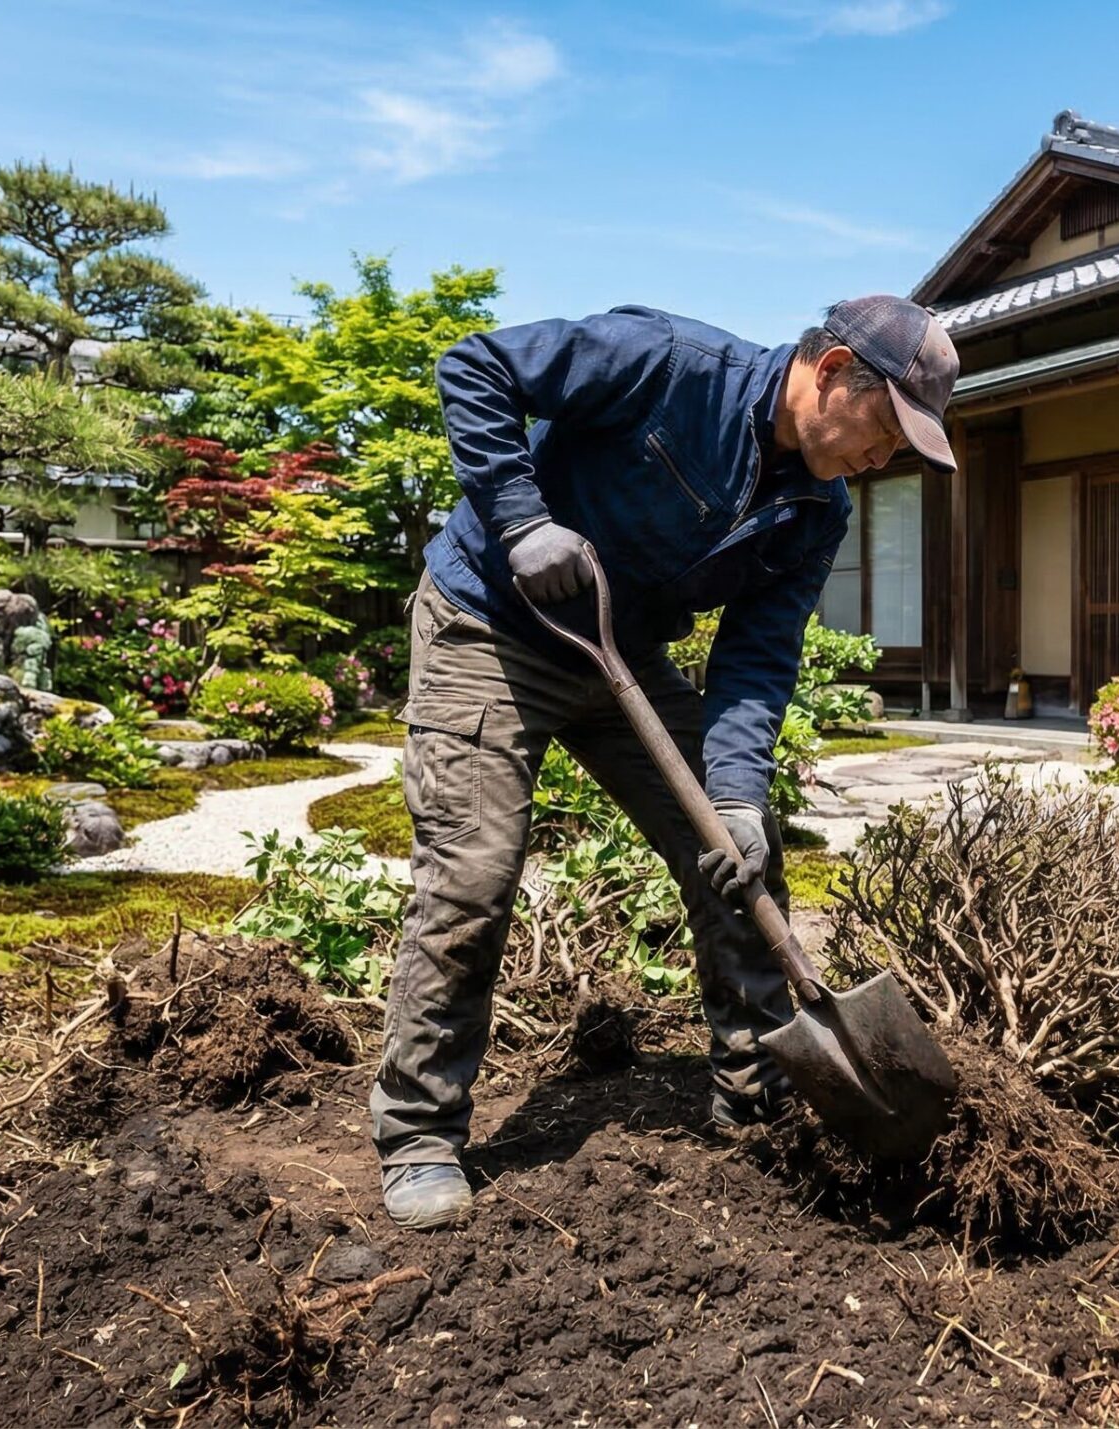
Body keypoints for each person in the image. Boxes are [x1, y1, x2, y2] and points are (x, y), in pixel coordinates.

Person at [374, 295, 959, 1229]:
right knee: (473, 876)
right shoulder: (666, 361)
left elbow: (756, 661)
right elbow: (474, 367)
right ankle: (419, 1133)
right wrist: (523, 520)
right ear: (836, 369)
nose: (880, 460)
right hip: (490, 622)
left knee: (736, 853)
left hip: (620, 658)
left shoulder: (816, 509)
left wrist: (731, 796)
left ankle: (756, 1095)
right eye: (886, 431)